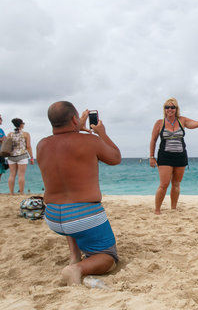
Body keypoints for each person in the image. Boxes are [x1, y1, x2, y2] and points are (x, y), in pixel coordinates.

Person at [36, 101, 121, 285]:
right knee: (109, 257)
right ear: (75, 119)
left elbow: (65, 147)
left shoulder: (41, 145)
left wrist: (78, 129)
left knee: (68, 207)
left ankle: (74, 256)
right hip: (83, 216)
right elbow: (115, 158)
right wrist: (101, 133)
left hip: (53, 217)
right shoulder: (90, 140)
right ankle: (76, 268)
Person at [149, 97, 198, 214]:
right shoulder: (159, 123)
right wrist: (151, 157)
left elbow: (197, 124)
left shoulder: (182, 120)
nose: (170, 109)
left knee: (176, 184)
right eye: (167, 107)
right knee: (164, 184)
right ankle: (157, 210)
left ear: (176, 109)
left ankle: (173, 208)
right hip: (165, 156)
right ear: (164, 109)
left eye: (173, 107)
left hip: (180, 156)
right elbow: (153, 140)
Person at [7, 118, 34, 194]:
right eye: (23, 123)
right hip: (22, 155)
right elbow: (28, 146)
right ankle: (21, 192)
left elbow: (7, 145)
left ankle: (11, 193)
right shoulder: (26, 134)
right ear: (21, 125)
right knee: (21, 175)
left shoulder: (10, 134)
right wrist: (31, 157)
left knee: (12, 175)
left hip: (11, 156)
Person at [0, 114, 6, 180]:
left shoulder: (1, 130)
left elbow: (5, 139)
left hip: (1, 153)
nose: (1, 120)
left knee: (1, 171)